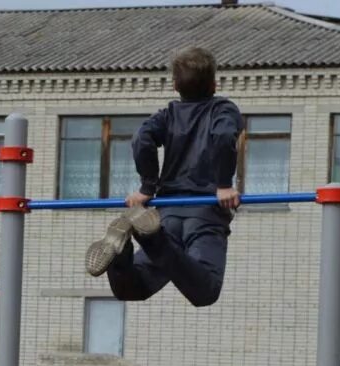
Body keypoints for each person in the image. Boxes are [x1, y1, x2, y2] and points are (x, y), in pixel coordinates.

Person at [84, 46, 244, 308]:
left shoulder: (168, 114)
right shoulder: (224, 110)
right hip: (204, 214)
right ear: (215, 84)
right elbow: (224, 136)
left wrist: (147, 187)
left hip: (166, 214)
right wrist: (224, 185)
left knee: (133, 289)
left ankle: (123, 254)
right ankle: (150, 237)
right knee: (205, 291)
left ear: (174, 86)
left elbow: (142, 139)